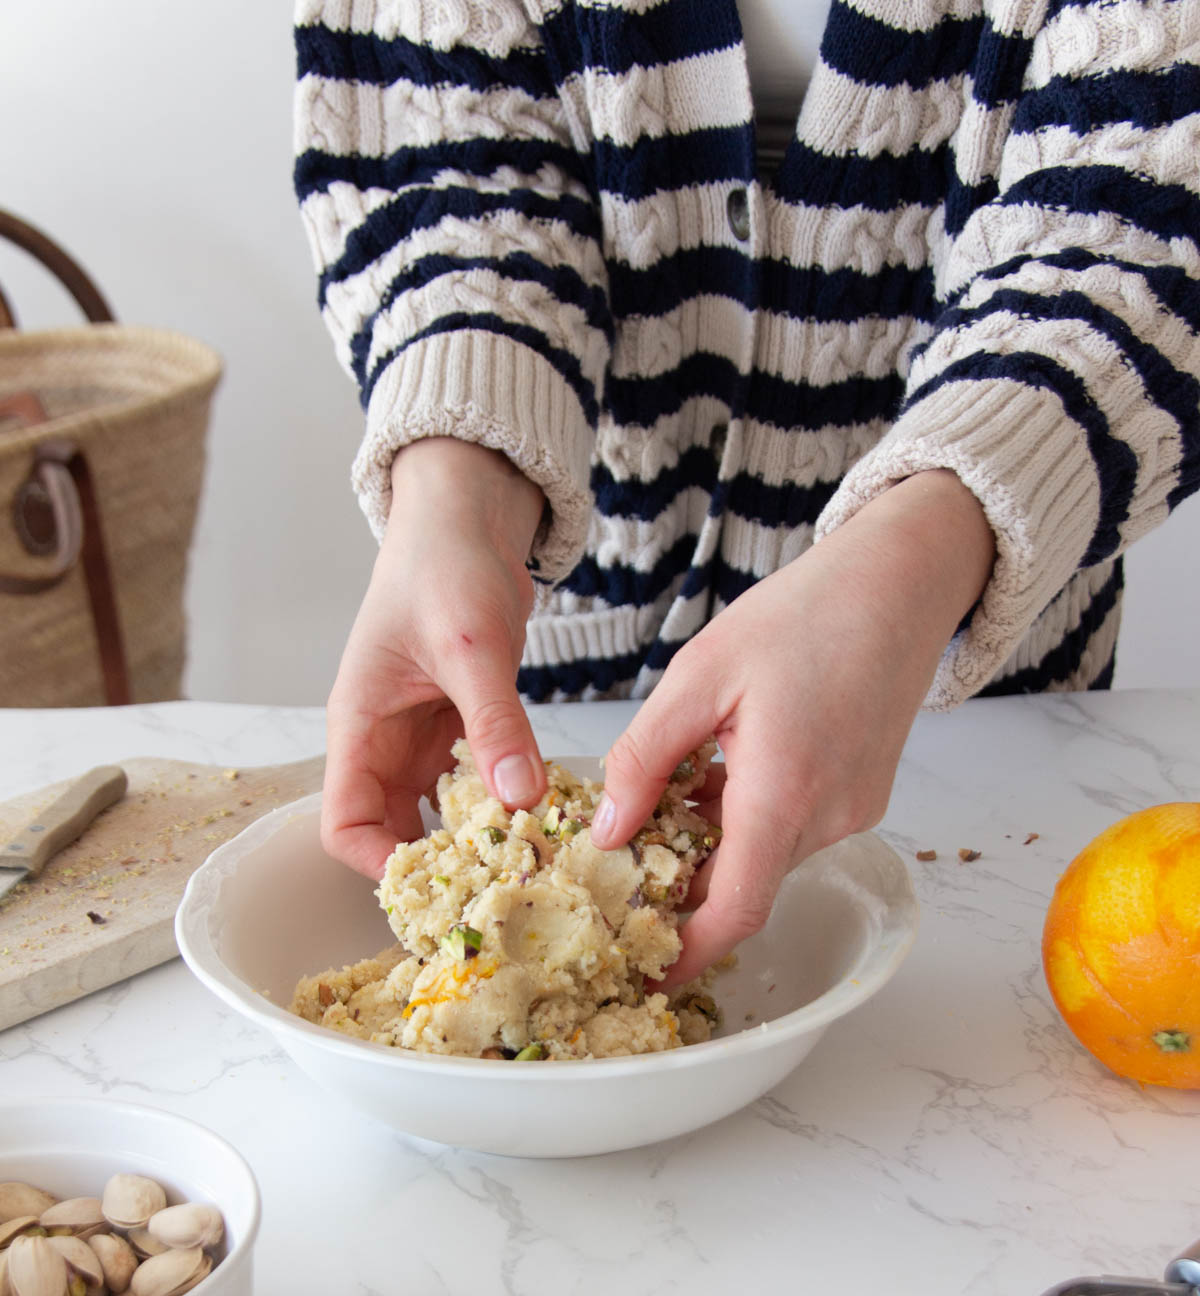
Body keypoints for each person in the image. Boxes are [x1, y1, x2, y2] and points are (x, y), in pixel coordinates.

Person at [293, 0, 1198, 985]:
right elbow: (446, 178)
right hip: (566, 672)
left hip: (989, 722)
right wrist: (454, 493)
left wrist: (906, 566)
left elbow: (1144, 231)